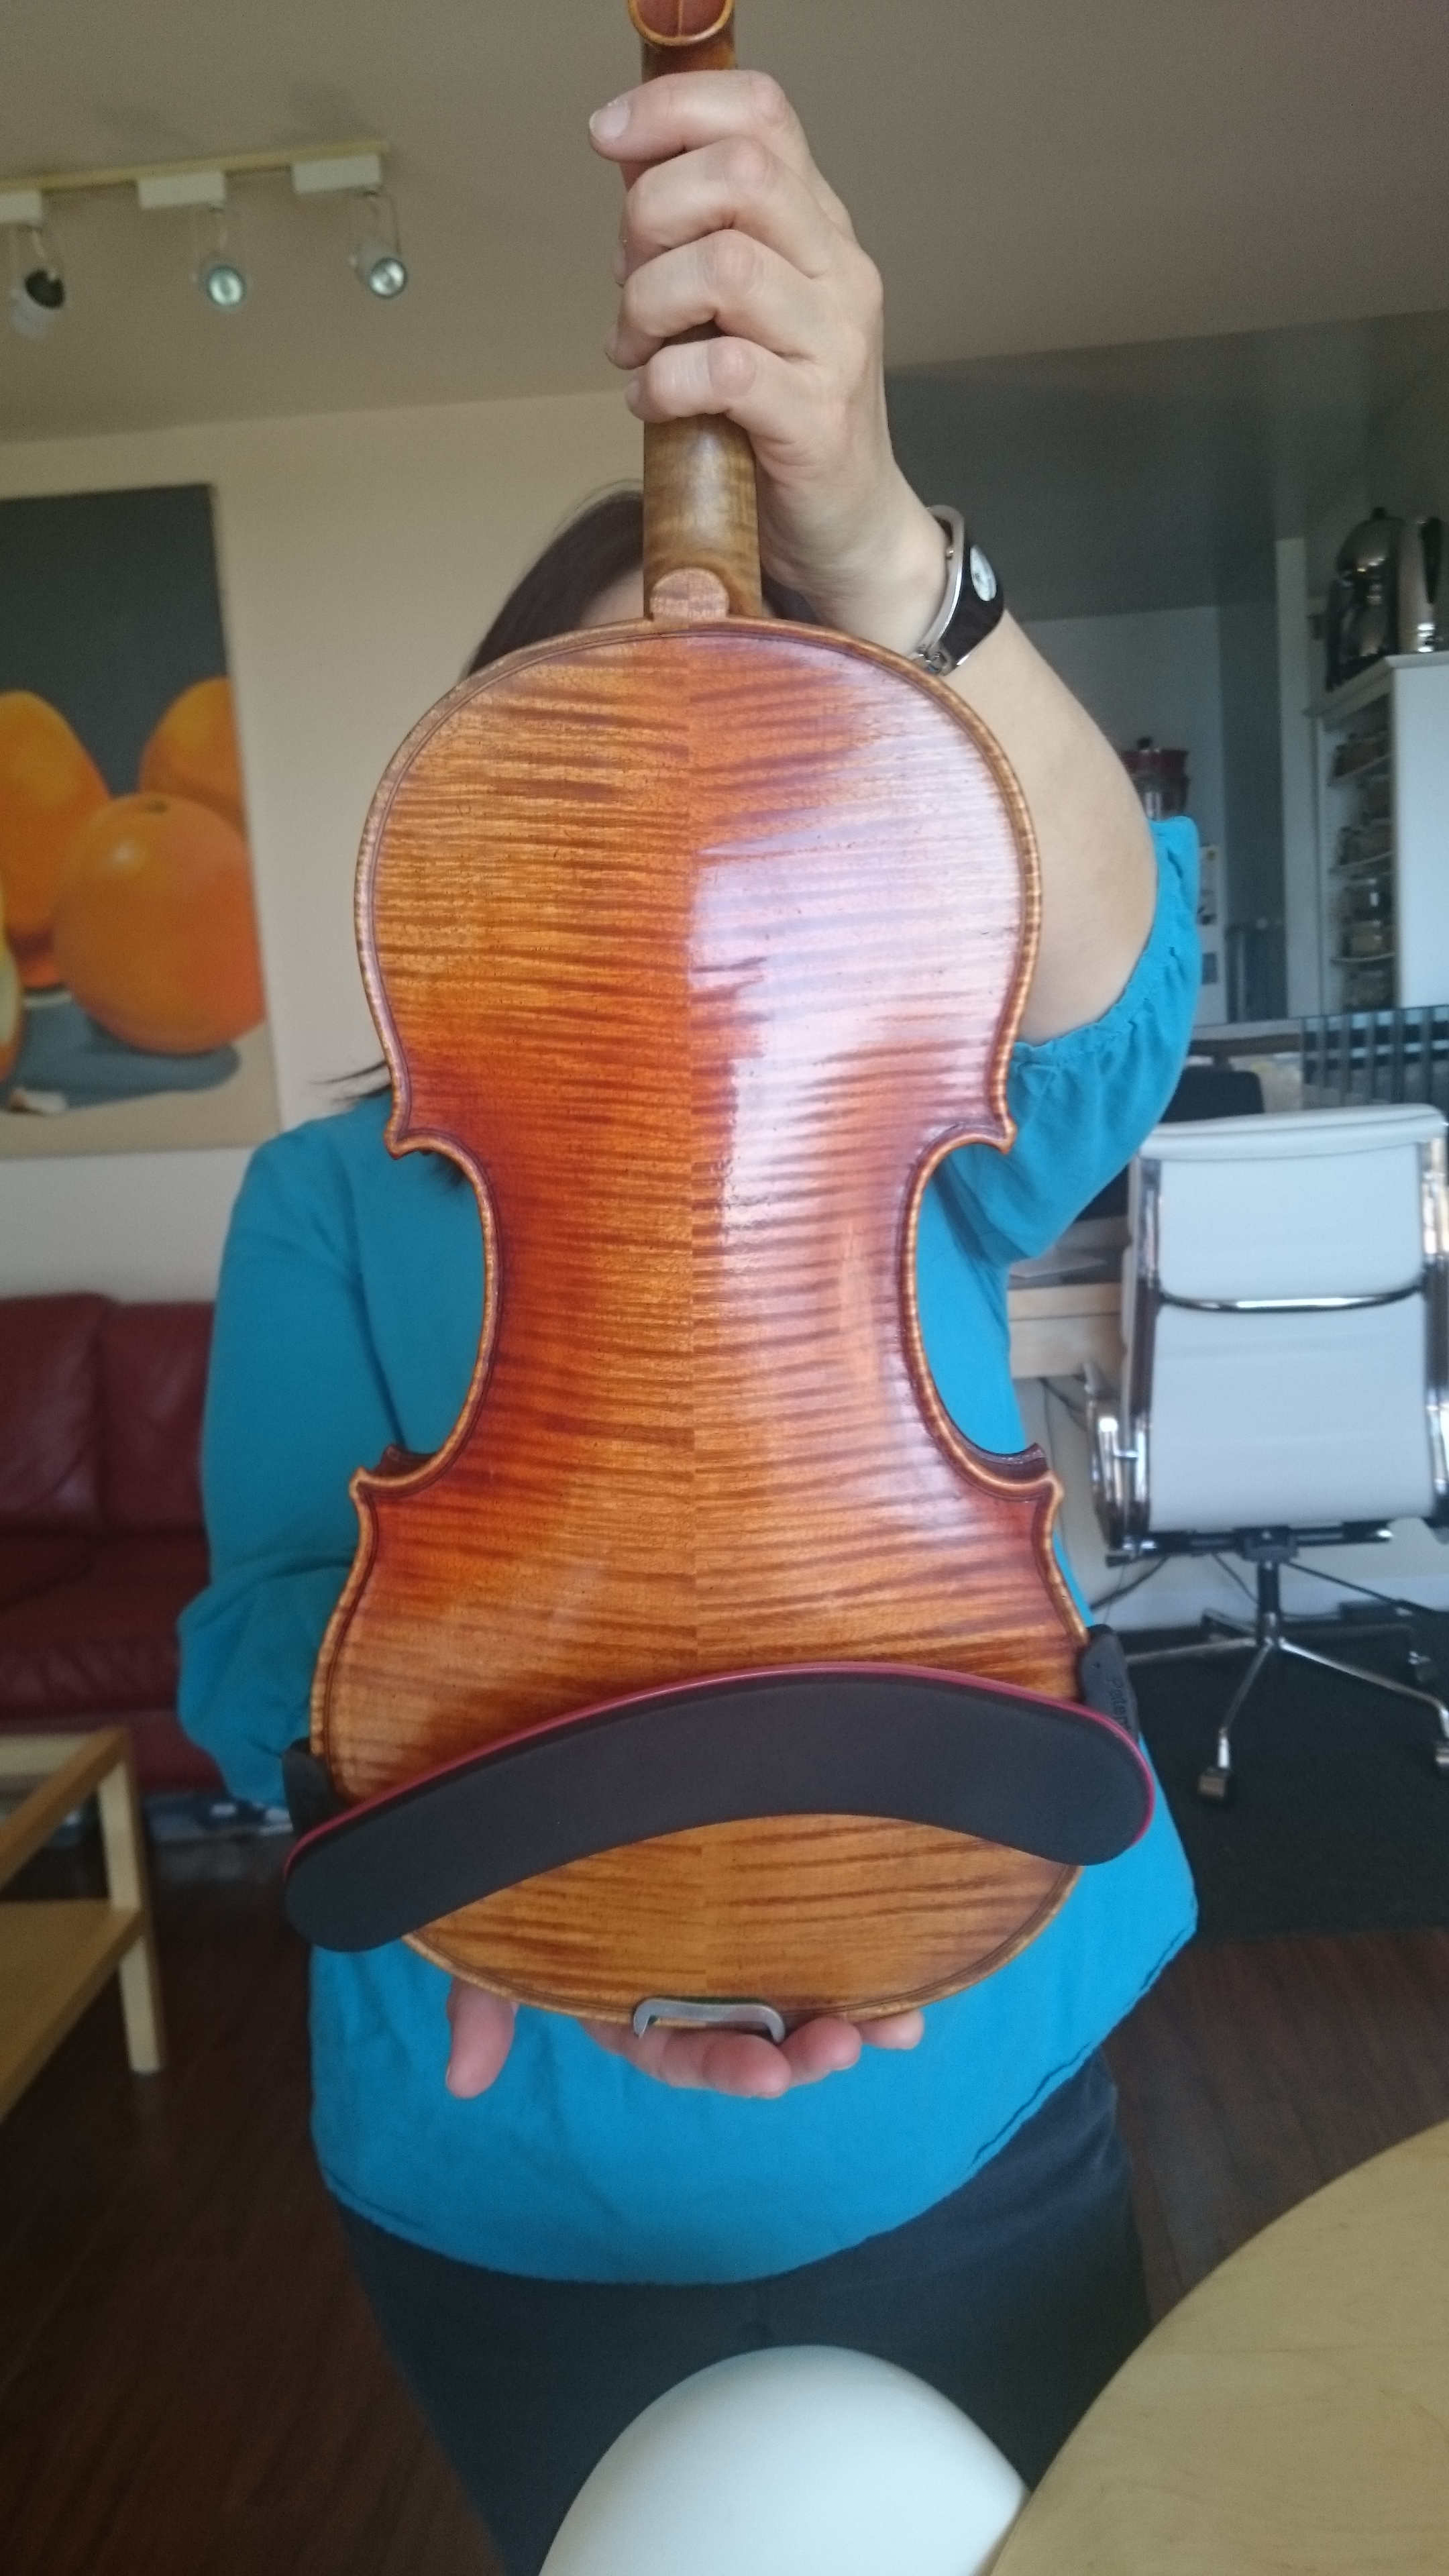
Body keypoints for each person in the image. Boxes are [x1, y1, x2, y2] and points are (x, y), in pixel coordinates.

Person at [179, 63, 1199, 2576]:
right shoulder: (327, 1195)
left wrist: (882, 551)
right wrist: (549, 1822)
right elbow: (252, 1644)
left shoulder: (922, 1107)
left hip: (963, 2062)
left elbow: (1118, 1013)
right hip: (502, 2115)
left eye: (767, 799)